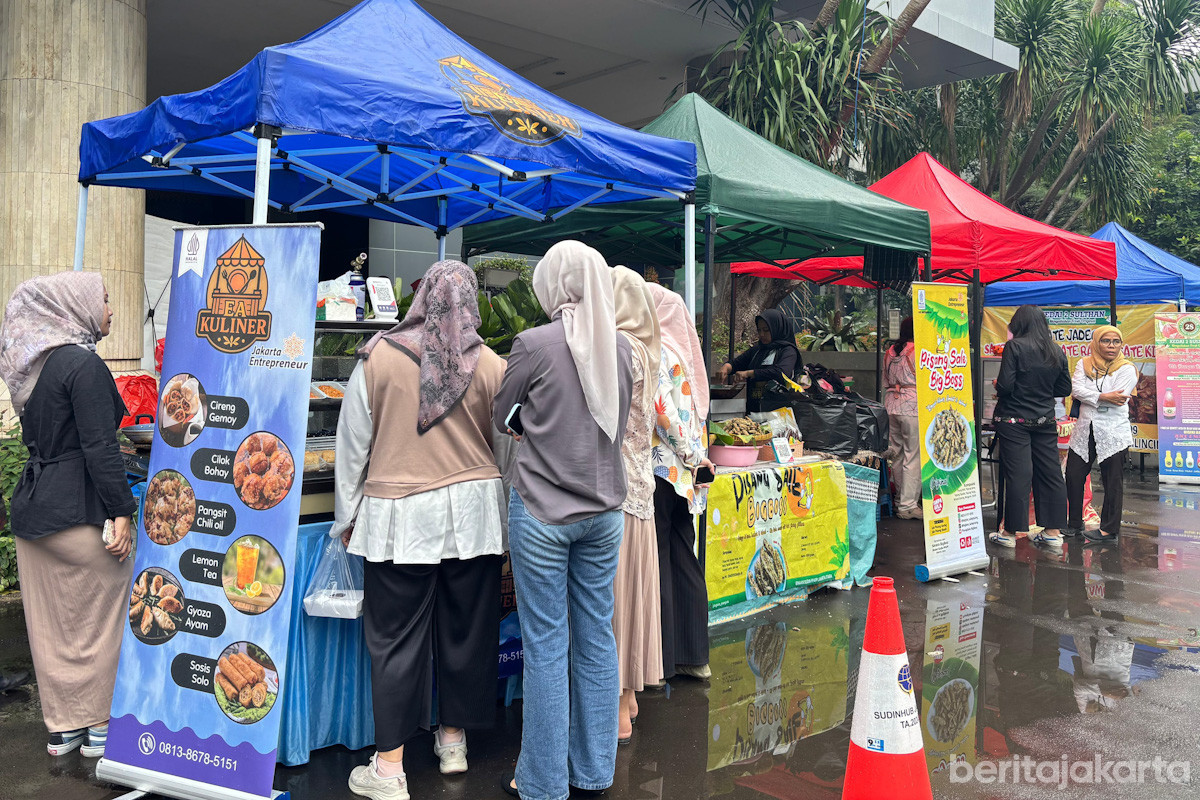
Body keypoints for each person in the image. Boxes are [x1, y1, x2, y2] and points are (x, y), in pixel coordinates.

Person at [334, 260, 507, 800]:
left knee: (394, 639)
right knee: (466, 630)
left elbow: (352, 446)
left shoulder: (378, 358)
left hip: (397, 516)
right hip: (473, 517)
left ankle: (389, 768)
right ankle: (452, 742)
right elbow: (507, 450)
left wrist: (346, 517)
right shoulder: (493, 366)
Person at [494, 240, 634, 800]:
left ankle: (543, 781)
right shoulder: (623, 350)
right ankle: (594, 771)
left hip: (544, 512)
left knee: (547, 644)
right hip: (606, 513)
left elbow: (501, 411)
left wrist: (532, 424)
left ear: (554, 284)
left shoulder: (534, 344)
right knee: (596, 636)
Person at [0, 272, 135, 758]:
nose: (111, 308)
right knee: (105, 611)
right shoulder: (82, 363)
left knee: (53, 626)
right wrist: (124, 511)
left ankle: (64, 729)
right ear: (74, 306)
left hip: (34, 513)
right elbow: (100, 448)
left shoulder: (34, 368)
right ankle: (100, 724)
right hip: (76, 510)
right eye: (103, 298)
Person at [647, 282, 713, 682]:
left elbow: (663, 414)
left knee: (658, 561)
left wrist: (688, 455)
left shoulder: (657, 352)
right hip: (686, 478)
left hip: (661, 471)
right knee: (683, 557)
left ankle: (664, 659)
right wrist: (697, 462)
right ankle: (695, 654)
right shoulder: (688, 356)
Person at [609, 266, 663, 744]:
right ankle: (629, 697)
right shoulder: (651, 351)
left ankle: (617, 709)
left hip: (617, 489)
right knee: (636, 594)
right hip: (642, 489)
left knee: (615, 601)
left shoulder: (620, 351)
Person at [990, 305, 1071, 549]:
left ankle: (1010, 533)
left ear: (1018, 325)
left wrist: (1001, 386)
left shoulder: (1014, 347)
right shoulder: (1055, 350)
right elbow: (1064, 389)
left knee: (1019, 475)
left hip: (1014, 420)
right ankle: (1053, 532)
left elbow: (1004, 386)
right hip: (1044, 420)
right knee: (1051, 474)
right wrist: (1041, 391)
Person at [1065, 325, 1135, 544]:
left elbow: (1121, 397)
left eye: (1116, 341)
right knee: (1074, 475)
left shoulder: (1127, 368)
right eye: (1106, 341)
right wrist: (1104, 396)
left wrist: (1092, 395)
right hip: (1085, 429)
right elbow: (1076, 390)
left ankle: (1109, 530)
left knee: (1112, 481)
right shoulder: (1083, 364)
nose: (1111, 346)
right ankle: (1075, 523)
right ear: (1096, 343)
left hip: (1113, 431)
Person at [715, 310, 802, 412]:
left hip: (779, 412)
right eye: (759, 330)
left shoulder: (788, 351)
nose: (761, 334)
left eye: (766, 330)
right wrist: (726, 368)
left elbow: (782, 372)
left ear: (776, 329)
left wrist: (750, 373)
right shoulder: (757, 350)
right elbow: (736, 363)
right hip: (754, 411)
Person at [883, 317, 921, 520]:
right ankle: (908, 505)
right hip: (912, 406)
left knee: (896, 455)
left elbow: (885, 380)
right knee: (913, 455)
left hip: (891, 404)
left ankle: (899, 500)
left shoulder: (890, 352)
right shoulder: (918, 351)